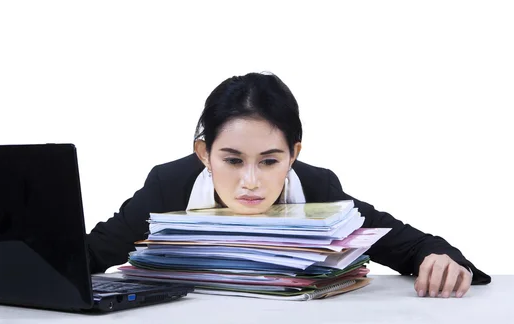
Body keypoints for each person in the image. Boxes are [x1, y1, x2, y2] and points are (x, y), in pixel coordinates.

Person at [86, 72, 491, 298]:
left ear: (293, 154)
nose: (250, 182)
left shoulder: (317, 187)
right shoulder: (168, 186)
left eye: (269, 161)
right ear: (204, 153)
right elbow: (88, 254)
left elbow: (409, 244)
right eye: (231, 160)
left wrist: (438, 257)